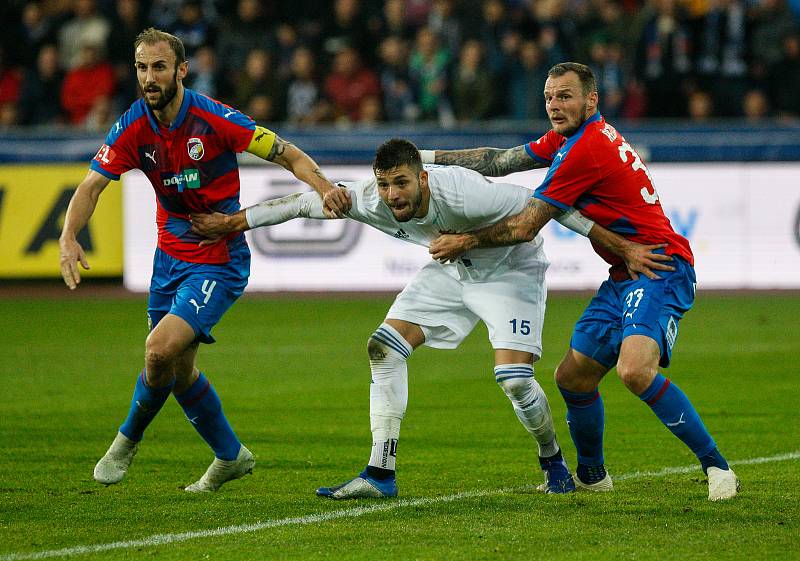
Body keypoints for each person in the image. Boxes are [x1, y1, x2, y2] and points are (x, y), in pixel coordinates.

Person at [190, 138, 672, 499]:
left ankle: (551, 459)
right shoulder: (372, 200)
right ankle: (380, 472)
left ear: (422, 178)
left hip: (512, 269)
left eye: (401, 182)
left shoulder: (464, 194)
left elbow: (551, 213)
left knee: (514, 380)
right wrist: (229, 224)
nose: (392, 194)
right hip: (451, 270)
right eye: (384, 184)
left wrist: (623, 246)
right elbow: (296, 204)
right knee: (383, 346)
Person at [423, 62, 739, 501]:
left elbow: (524, 227)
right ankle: (592, 475)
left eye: (565, 96)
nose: (554, 105)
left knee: (634, 370)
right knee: (573, 377)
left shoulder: (584, 149)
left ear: (591, 100)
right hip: (624, 273)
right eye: (549, 97)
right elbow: (498, 161)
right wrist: (423, 158)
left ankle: (717, 468)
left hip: (658, 265)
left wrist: (465, 240)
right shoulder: (570, 138)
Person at [58, 28, 349, 493]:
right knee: (175, 371)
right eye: (141, 68)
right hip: (168, 258)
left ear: (181, 70)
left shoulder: (215, 119)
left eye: (158, 67)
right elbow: (91, 185)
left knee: (158, 350)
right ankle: (230, 455)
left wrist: (326, 187)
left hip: (218, 261)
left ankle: (125, 442)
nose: (149, 78)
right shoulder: (133, 125)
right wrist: (69, 236)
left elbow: (287, 153)